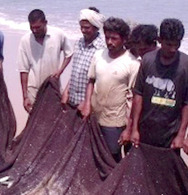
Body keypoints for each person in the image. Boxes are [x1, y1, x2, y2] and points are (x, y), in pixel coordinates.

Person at [79, 17, 140, 162]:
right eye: (107, 38)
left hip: (115, 122)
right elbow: (91, 81)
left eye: (114, 38)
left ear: (124, 39)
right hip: (95, 116)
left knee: (111, 156)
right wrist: (87, 104)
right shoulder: (98, 55)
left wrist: (128, 129)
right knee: (92, 153)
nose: (109, 42)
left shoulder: (132, 63)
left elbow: (133, 99)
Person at [130, 18, 188, 152]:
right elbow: (138, 95)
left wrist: (181, 135)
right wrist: (134, 129)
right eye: (169, 44)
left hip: (170, 134)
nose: (173, 49)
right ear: (160, 40)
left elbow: (186, 103)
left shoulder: (185, 65)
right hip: (145, 131)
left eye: (177, 44)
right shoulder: (147, 60)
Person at [18, 9, 73, 112]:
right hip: (33, 89)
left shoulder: (58, 34)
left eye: (38, 27)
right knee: (35, 121)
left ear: (45, 23)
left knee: (54, 119)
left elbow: (69, 53)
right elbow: (23, 70)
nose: (34, 30)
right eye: (32, 27)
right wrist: (25, 96)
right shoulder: (25, 41)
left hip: (53, 87)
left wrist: (60, 70)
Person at [61, 7, 106, 107]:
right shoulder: (78, 43)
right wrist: (66, 91)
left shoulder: (102, 48)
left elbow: (101, 81)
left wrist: (87, 102)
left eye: (87, 27)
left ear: (96, 27)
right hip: (72, 99)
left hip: (88, 104)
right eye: (81, 27)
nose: (83, 30)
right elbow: (76, 72)